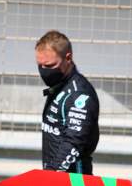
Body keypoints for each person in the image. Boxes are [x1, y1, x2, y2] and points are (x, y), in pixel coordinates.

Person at [35, 30, 100, 174]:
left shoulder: (79, 94)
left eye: (50, 66)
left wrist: (50, 174)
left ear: (68, 58)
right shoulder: (60, 87)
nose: (44, 71)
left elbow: (74, 143)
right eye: (40, 66)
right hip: (57, 178)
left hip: (74, 182)